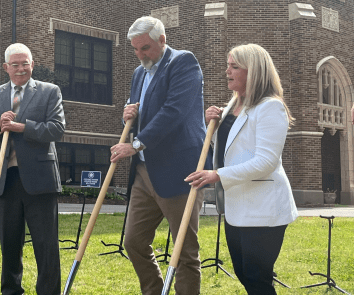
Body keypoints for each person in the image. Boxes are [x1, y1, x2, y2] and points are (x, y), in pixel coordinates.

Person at [185, 43, 298, 295]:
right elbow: (229, 149)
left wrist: (217, 175)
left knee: (257, 278)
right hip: (237, 207)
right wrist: (211, 127)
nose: (227, 71)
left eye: (235, 66)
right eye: (228, 65)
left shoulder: (271, 107)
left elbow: (266, 162)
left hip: (263, 209)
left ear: (254, 72)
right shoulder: (232, 106)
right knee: (243, 273)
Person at [109, 16, 208, 294]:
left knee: (183, 251)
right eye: (136, 49)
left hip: (179, 170)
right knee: (134, 242)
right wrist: (126, 115)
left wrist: (136, 145)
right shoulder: (139, 72)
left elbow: (173, 112)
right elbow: (140, 115)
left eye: (146, 48)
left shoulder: (184, 63)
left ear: (162, 40)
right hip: (144, 172)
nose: (140, 55)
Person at [0, 43, 65, 295]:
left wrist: (23, 127)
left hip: (40, 180)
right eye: (15, 64)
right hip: (5, 181)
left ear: (32, 64)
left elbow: (56, 129)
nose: (21, 68)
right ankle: (11, 291)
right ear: (6, 67)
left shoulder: (49, 92)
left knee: (45, 245)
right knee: (9, 245)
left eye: (25, 63)